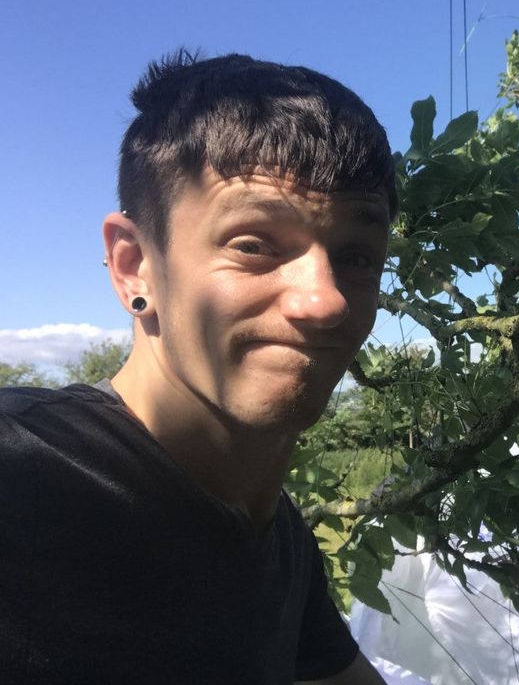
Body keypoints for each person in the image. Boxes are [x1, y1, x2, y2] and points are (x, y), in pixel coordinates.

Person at [0, 51, 394, 684]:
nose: (326, 301)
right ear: (134, 266)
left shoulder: (280, 541)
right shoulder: (22, 479)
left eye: (356, 256)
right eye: (253, 245)